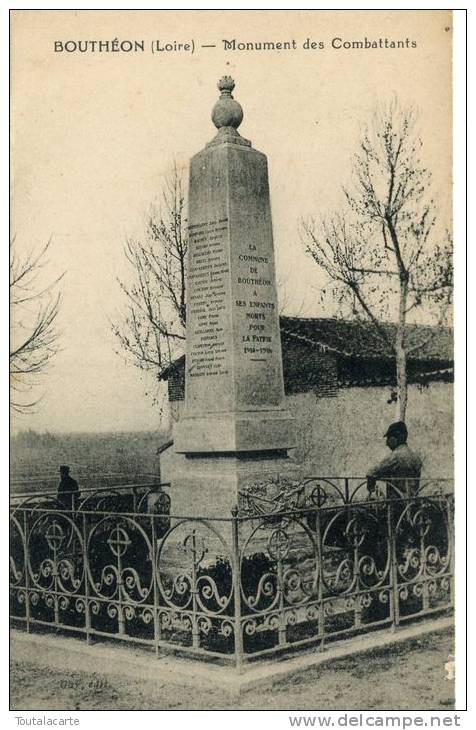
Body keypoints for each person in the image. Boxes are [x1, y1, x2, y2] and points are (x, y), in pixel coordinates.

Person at [366, 421, 422, 499]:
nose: (386, 443)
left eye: (389, 438)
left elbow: (371, 473)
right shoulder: (416, 457)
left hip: (396, 504)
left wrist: (371, 486)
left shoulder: (395, 457)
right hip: (413, 502)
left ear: (397, 438)